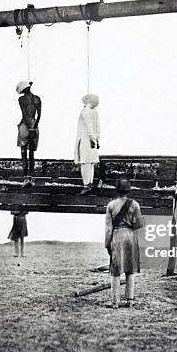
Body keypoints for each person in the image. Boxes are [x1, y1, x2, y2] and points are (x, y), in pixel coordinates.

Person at [105, 178, 145, 309]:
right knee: (130, 269)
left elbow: (108, 228)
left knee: (115, 270)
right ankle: (130, 300)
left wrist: (107, 244)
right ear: (129, 190)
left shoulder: (111, 205)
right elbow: (139, 224)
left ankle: (115, 302)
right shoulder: (134, 204)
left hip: (117, 236)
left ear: (116, 190)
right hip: (130, 236)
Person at [74, 93, 101, 196]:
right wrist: (97, 139)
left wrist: (92, 138)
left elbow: (89, 127)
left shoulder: (85, 111)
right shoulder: (95, 112)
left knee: (85, 163)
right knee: (91, 163)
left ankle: (86, 185)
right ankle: (90, 183)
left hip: (85, 140)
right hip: (92, 140)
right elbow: (98, 127)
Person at [16, 81, 41, 187]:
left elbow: (24, 115)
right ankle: (32, 177)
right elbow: (39, 115)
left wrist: (29, 129)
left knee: (23, 152)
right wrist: (34, 128)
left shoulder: (21, 99)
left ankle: (26, 177)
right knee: (31, 153)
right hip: (34, 124)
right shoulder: (37, 99)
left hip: (25, 126)